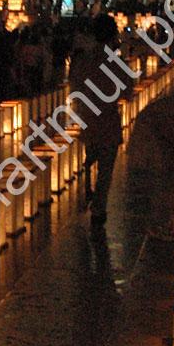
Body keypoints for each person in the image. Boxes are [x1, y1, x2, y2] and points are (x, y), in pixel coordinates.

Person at [68, 13, 127, 228]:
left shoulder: (84, 60)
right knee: (105, 170)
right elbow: (128, 90)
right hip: (108, 122)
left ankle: (86, 187)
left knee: (90, 156)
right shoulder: (115, 62)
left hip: (88, 120)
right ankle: (98, 208)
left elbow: (74, 86)